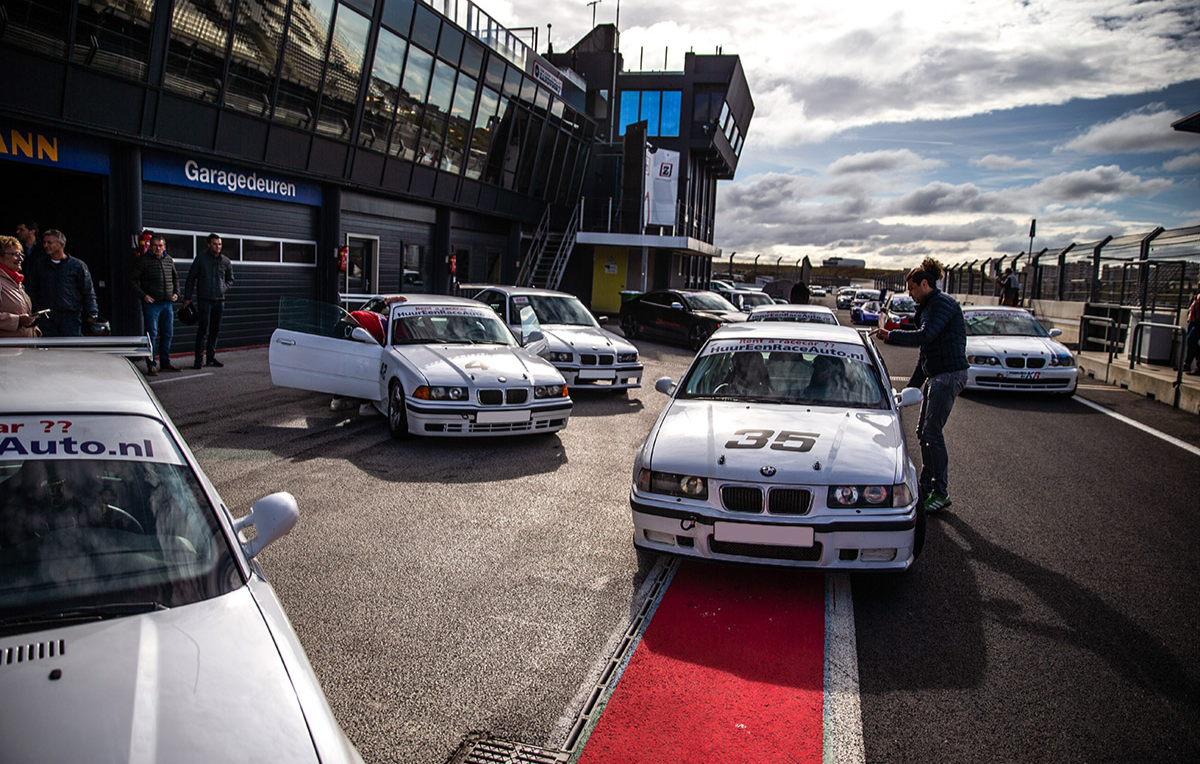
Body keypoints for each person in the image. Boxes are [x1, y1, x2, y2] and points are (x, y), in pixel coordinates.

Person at [874, 257, 968, 513]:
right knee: (923, 432)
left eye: (912, 288)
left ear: (925, 284)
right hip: (938, 374)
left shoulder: (941, 304)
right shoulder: (929, 306)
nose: (910, 294)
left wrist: (891, 334)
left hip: (948, 376)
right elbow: (925, 354)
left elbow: (925, 336)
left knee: (932, 432)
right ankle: (926, 487)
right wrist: (909, 388)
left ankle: (941, 492)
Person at [24, 229, 98, 337]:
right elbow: (31, 288)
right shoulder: (39, 265)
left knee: (70, 346)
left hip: (70, 316)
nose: (45, 245)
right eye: (44, 242)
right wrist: (36, 309)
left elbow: (88, 290)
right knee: (47, 346)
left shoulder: (77, 266)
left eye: (49, 242)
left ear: (61, 245)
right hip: (46, 316)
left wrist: (92, 311)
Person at [129, 233, 181, 375]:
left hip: (167, 304)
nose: (158, 248)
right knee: (151, 335)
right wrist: (143, 296)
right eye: (155, 246)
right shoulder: (143, 261)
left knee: (167, 334)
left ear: (164, 247)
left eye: (160, 246)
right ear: (150, 247)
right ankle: (151, 364)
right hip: (152, 305)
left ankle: (165, 363)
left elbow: (175, 278)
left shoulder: (169, 260)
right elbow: (132, 279)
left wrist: (176, 292)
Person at [183, 233, 235, 369]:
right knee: (202, 330)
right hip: (204, 300)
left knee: (215, 330)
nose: (217, 247)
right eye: (215, 244)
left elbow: (230, 280)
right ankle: (198, 360)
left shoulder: (226, 261)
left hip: (219, 300)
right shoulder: (201, 259)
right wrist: (187, 298)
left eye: (219, 244)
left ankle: (211, 358)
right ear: (208, 245)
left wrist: (223, 288)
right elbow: (191, 279)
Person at [0, 235, 40, 338]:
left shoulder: (15, 281)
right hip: (7, 347)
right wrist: (18, 320)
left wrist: (34, 329)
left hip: (21, 346)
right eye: (15, 254)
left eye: (21, 254)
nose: (20, 259)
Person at [1183, 289, 1200, 376]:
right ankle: (1187, 363)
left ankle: (1198, 363)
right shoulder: (1197, 292)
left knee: (1191, 340)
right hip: (1194, 320)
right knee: (1190, 340)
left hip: (1198, 321)